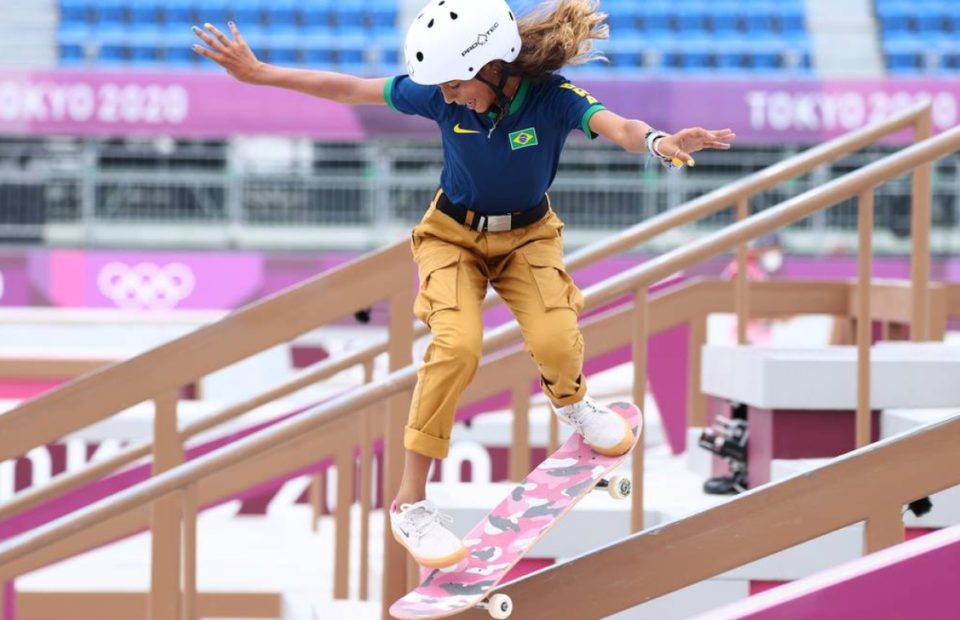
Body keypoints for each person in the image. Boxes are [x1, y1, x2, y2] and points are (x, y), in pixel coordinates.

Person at [192, 0, 735, 569]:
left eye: (456, 85)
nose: (448, 97)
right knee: (456, 349)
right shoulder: (435, 91)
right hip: (451, 236)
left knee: (555, 340)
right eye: (444, 89)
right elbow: (349, 88)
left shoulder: (553, 97)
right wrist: (260, 74)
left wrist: (658, 142)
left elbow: (618, 126)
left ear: (494, 67)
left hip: (528, 239)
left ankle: (573, 405)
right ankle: (410, 504)